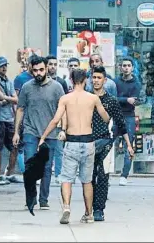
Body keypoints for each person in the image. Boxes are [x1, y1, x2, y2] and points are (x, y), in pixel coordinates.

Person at [39, 68, 110, 225]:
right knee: (87, 181)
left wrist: (43, 137)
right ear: (85, 80)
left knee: (66, 178)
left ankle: (66, 207)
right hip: (88, 142)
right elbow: (105, 117)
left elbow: (55, 120)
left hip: (71, 142)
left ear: (71, 80)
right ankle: (89, 214)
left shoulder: (65, 98)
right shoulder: (93, 98)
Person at [12, 56, 65, 210]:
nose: (38, 73)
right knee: (30, 167)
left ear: (47, 68)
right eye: (35, 70)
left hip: (50, 133)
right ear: (31, 70)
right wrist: (16, 132)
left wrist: (63, 129)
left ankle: (43, 199)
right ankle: (31, 198)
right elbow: (20, 109)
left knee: (47, 167)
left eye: (41, 69)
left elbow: (63, 109)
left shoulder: (57, 87)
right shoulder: (27, 87)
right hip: (31, 132)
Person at [90, 66, 134, 221]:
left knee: (103, 176)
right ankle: (89, 208)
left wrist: (128, 145)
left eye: (99, 78)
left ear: (105, 80)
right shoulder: (86, 98)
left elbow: (121, 124)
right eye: (94, 77)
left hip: (107, 141)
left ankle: (99, 209)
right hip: (88, 142)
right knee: (89, 177)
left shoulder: (111, 100)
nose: (96, 80)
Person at [114, 56, 142, 186]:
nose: (126, 68)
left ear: (132, 68)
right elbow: (113, 99)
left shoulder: (136, 84)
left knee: (129, 146)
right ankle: (105, 170)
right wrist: (126, 100)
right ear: (120, 67)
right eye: (124, 65)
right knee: (107, 143)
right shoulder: (115, 82)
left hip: (129, 116)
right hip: (115, 115)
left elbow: (135, 100)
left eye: (128, 66)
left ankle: (124, 175)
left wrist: (127, 100)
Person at [0, 56, 19, 184]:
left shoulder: (9, 82)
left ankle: (10, 173)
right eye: (1, 66)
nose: (4, 68)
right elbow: (1, 99)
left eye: (5, 65)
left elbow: (15, 99)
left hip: (9, 118)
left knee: (14, 146)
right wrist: (7, 98)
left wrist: (6, 98)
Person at [46, 54, 69, 184]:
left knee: (59, 149)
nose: (53, 67)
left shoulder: (61, 82)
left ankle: (58, 174)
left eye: (55, 64)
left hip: (59, 119)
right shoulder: (41, 82)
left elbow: (65, 102)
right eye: (50, 64)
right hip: (44, 120)